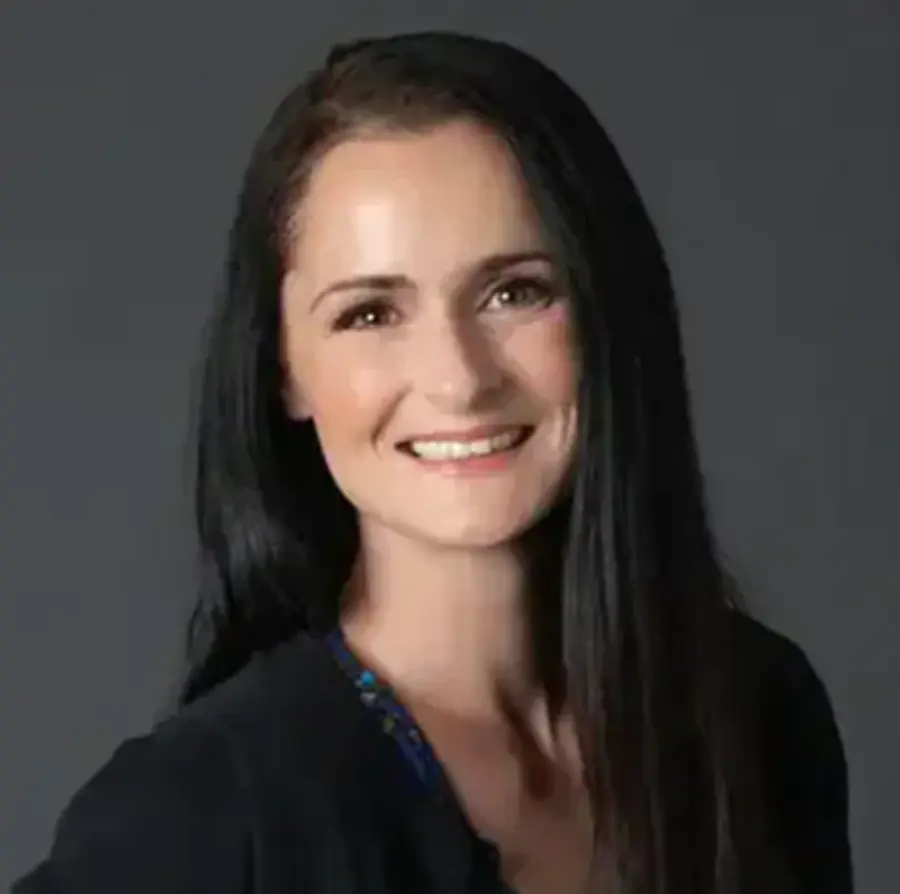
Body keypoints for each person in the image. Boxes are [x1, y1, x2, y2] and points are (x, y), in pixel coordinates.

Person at [11, 31, 852, 894]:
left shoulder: (756, 715)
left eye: (513, 292)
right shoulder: (210, 807)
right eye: (371, 313)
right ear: (283, 370)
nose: (459, 379)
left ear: (607, 311)